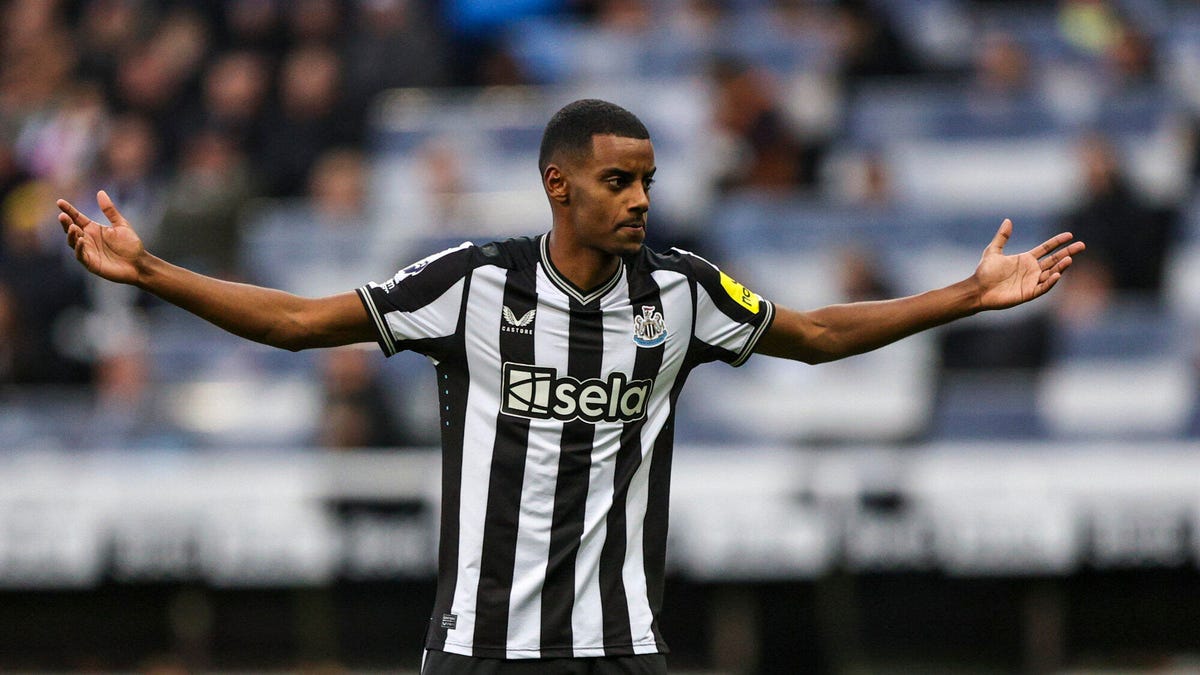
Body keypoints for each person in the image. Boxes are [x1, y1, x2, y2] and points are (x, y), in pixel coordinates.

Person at [57, 99, 1084, 674]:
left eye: (647, 180)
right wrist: (152, 274)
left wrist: (963, 294)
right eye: (618, 181)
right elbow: (294, 324)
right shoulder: (469, 283)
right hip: (476, 648)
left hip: (620, 648)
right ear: (560, 185)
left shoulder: (683, 292)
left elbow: (813, 335)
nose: (640, 198)